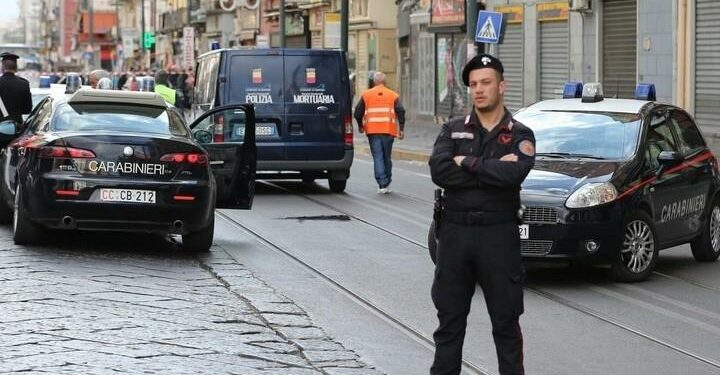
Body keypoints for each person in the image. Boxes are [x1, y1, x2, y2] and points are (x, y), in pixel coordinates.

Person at [428, 54, 536, 375]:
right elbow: (440, 171)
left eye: (485, 82)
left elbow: (513, 175)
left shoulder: (520, 134)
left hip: (498, 236)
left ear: (501, 86)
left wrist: (468, 163)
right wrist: (491, 170)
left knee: (505, 323)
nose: (478, 89)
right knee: (449, 323)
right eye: (473, 84)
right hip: (454, 235)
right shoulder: (452, 129)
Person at [353, 71, 406, 194]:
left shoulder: (366, 95)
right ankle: (386, 181)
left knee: (378, 156)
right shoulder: (393, 95)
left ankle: (382, 183)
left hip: (372, 131)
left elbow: (357, 112)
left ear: (374, 82)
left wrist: (361, 126)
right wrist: (401, 128)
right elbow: (401, 111)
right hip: (388, 131)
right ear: (385, 82)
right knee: (386, 157)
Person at [0, 52, 32, 130]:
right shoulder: (24, 84)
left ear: (2, 67)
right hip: (17, 128)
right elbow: (27, 110)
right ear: (16, 67)